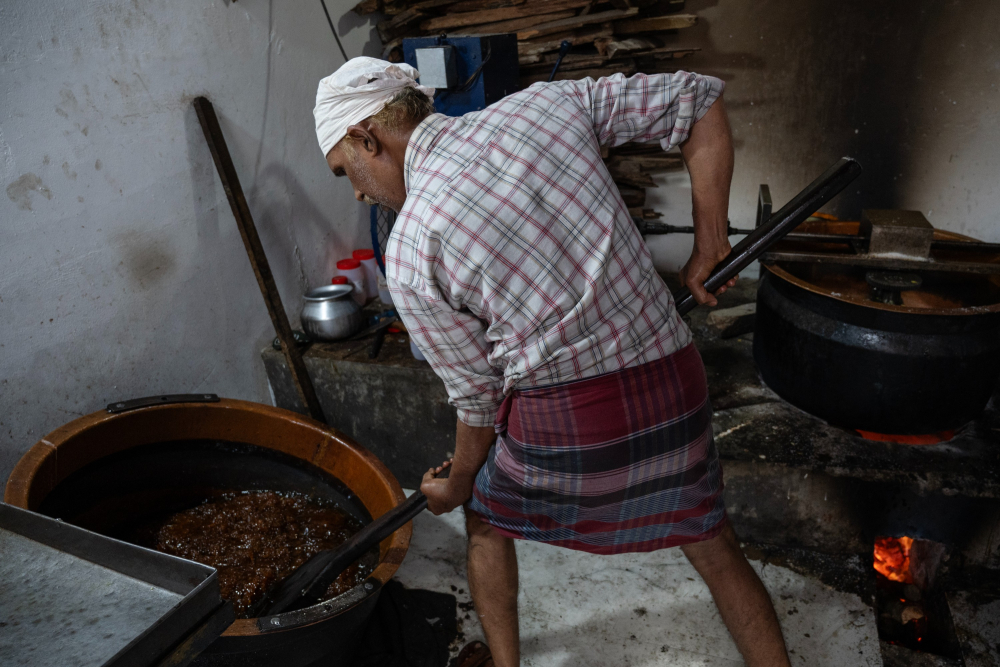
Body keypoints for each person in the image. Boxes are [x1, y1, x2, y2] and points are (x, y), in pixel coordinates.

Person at [314, 57, 791, 667]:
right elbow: (697, 102)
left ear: (365, 137)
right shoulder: (543, 107)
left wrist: (456, 483)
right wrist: (710, 240)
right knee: (714, 539)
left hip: (570, 424)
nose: (356, 190)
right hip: (672, 384)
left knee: (485, 520)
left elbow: (479, 402)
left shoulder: (410, 250)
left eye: (345, 172)